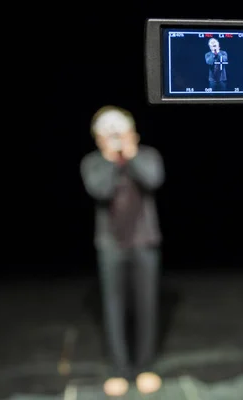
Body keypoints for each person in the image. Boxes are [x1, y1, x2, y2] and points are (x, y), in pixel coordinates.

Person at [80, 105, 164, 397]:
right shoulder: (93, 163)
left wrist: (130, 154)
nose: (114, 137)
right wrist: (111, 160)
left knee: (147, 305)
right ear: (97, 138)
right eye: (107, 133)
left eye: (120, 130)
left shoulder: (148, 156)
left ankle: (144, 367)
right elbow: (100, 190)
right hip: (110, 245)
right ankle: (118, 369)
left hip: (145, 242)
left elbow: (153, 180)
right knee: (113, 307)